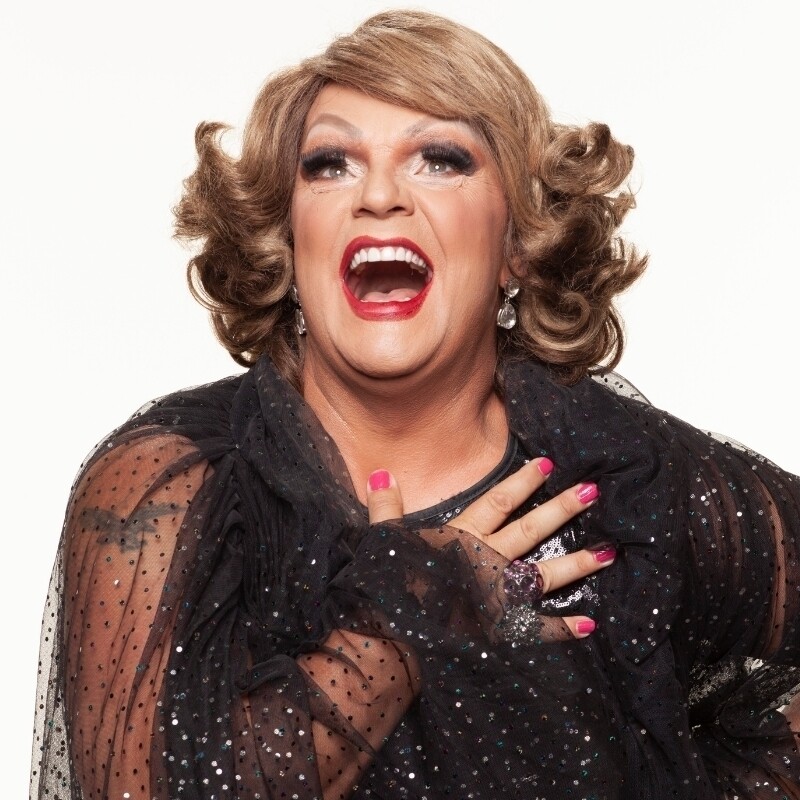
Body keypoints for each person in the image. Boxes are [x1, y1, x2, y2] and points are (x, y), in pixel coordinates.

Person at [30, 9, 800, 799]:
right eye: (330, 164)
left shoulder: (619, 479)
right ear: (285, 238)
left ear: (518, 246)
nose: (379, 195)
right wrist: (402, 619)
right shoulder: (168, 489)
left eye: (440, 159)